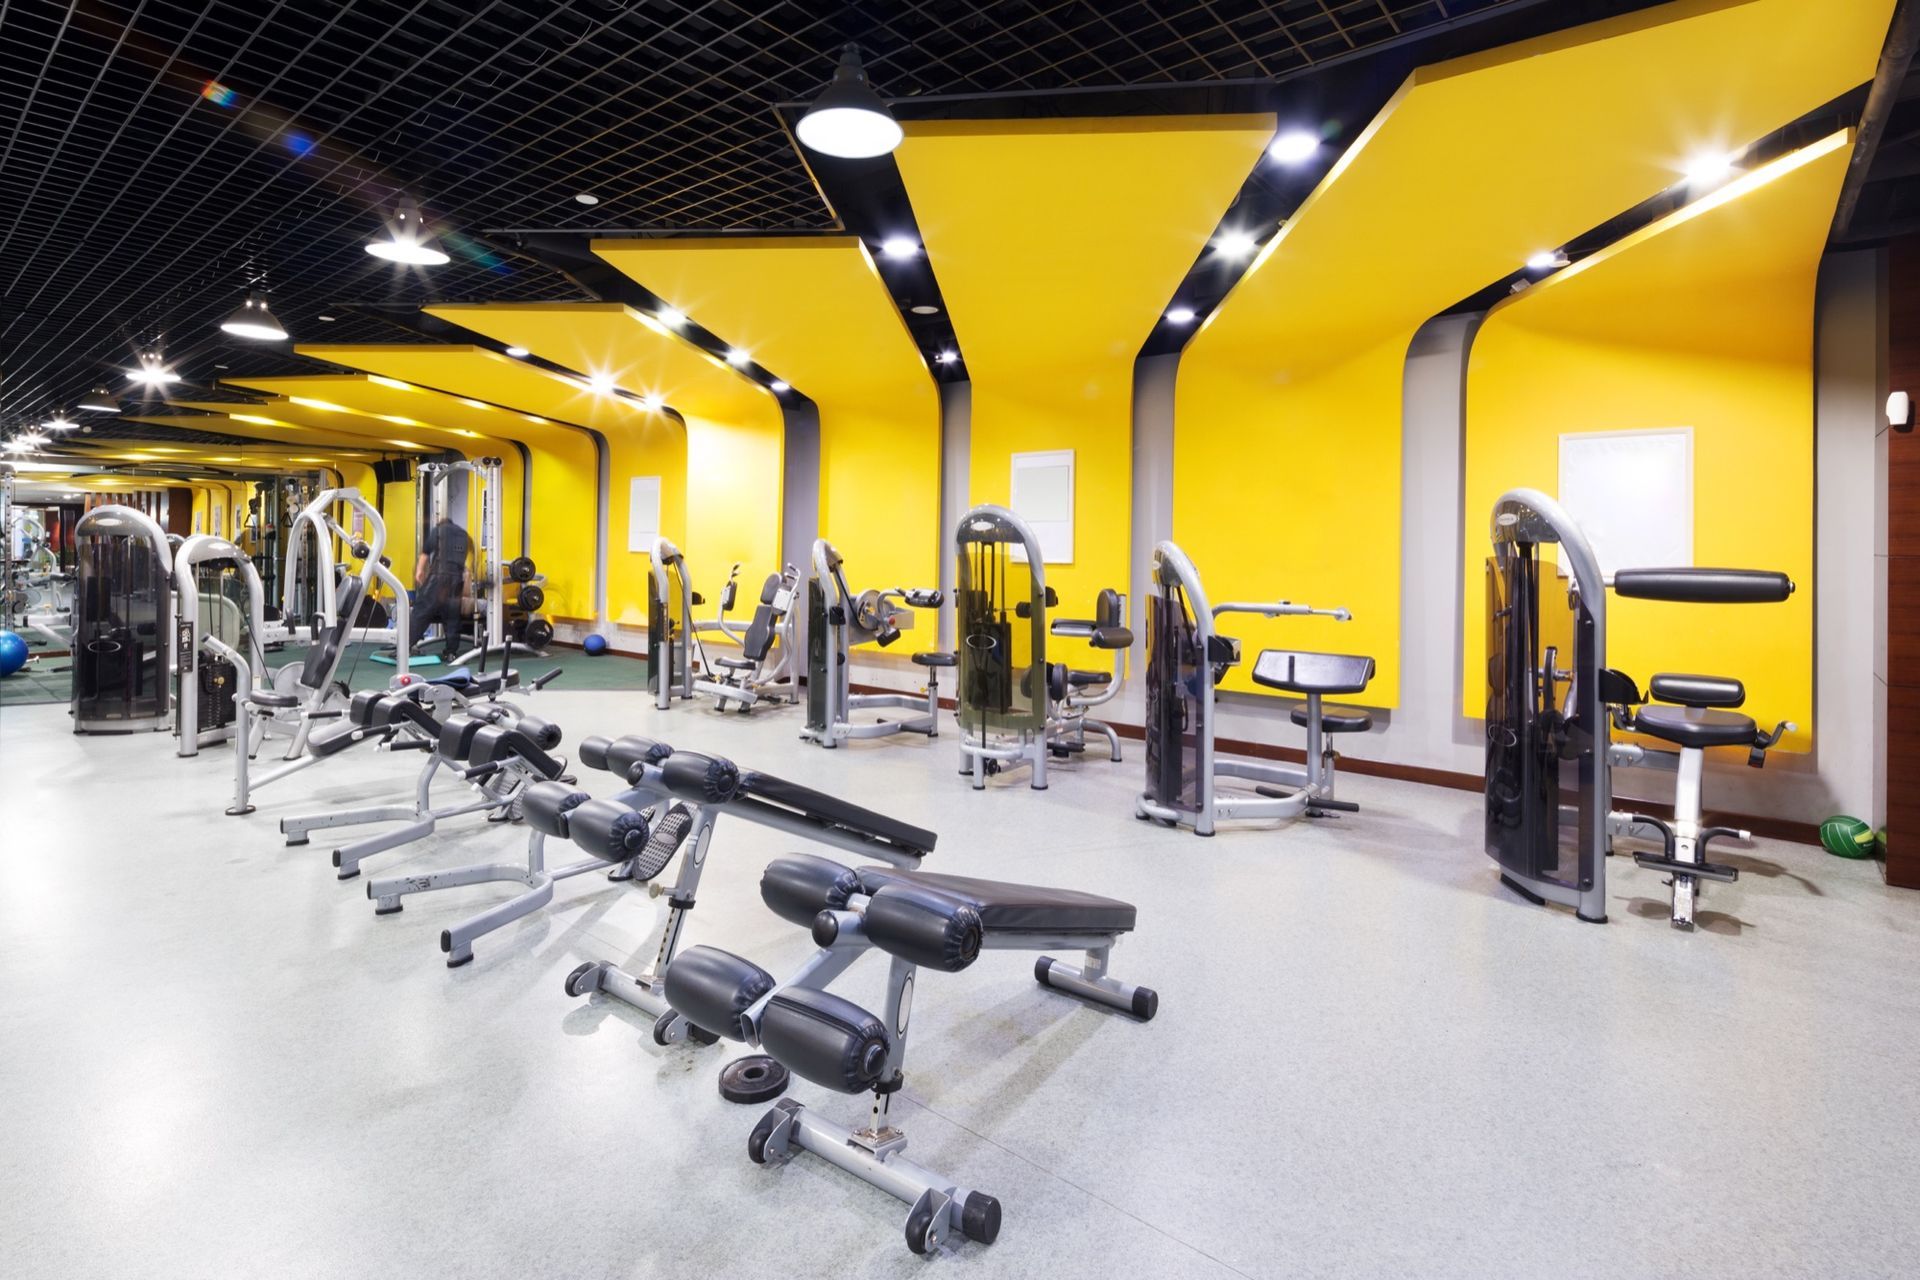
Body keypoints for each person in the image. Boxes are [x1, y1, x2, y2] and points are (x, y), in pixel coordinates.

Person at [411, 517, 471, 662]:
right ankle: (451, 653)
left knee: (421, 610)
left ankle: (405, 646)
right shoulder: (464, 535)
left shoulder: (438, 530)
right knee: (452, 616)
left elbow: (425, 554)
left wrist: (419, 571)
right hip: (456, 580)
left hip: (438, 578)